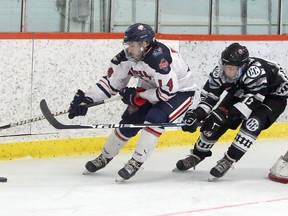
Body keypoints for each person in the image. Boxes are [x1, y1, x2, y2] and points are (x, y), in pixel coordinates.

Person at [68, 23, 197, 181]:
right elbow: (111, 84)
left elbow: (166, 93)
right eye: (128, 44)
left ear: (145, 44)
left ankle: (136, 161)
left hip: (179, 92)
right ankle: (105, 156)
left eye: (133, 44)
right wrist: (88, 98)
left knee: (155, 119)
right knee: (130, 120)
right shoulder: (126, 58)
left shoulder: (159, 59)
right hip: (150, 88)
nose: (129, 48)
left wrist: (138, 95)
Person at [176, 42, 288, 180]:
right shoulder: (220, 72)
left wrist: (224, 116)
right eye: (225, 66)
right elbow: (210, 97)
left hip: (272, 97)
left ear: (243, 66)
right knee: (216, 121)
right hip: (244, 91)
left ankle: (228, 160)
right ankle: (197, 155)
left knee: (252, 124)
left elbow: (253, 101)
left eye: (230, 68)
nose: (226, 71)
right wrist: (197, 114)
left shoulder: (255, 72)